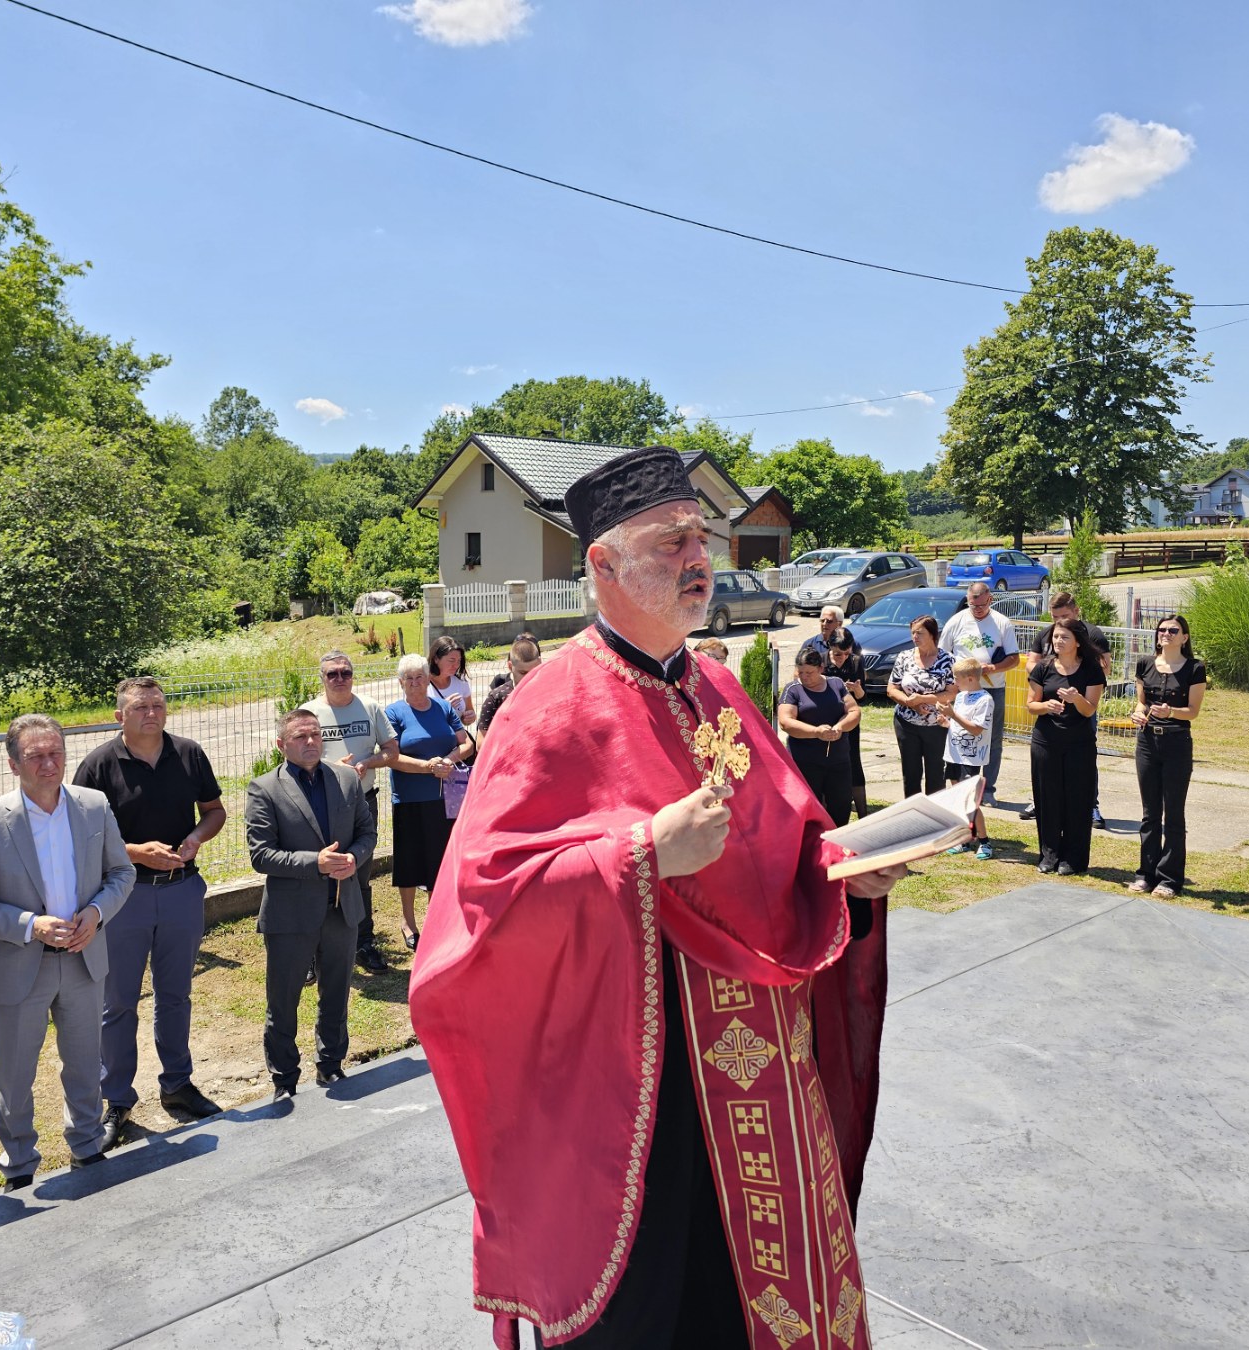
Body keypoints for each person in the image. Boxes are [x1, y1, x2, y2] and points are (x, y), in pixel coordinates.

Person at [411, 444, 906, 1350]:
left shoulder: (717, 686)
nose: (697, 558)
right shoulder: (547, 705)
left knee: (738, 1303)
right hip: (635, 1085)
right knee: (649, 1312)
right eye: (670, 540)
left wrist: (846, 873)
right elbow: (483, 903)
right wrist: (641, 855)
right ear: (601, 564)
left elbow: (780, 838)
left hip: (752, 1065)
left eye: (702, 537)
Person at [0, 716, 136, 1192]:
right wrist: (29, 925)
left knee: (84, 1062)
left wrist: (96, 914)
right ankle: (18, 1162)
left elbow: (122, 874)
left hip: (83, 959)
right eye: (35, 756)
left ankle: (87, 1144)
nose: (49, 764)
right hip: (20, 968)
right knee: (16, 1073)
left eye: (55, 752)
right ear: (13, 763)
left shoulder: (93, 806)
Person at [73, 676, 227, 1152]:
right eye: (140, 707)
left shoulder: (188, 753)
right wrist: (135, 852)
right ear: (119, 715)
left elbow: (214, 811)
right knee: (117, 1002)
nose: (152, 714)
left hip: (181, 891)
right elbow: (80, 833)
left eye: (158, 705)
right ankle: (116, 1099)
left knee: (175, 995)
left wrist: (196, 839)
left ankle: (177, 1084)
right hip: (123, 898)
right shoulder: (99, 765)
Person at [244, 709, 377, 1101]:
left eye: (316, 734)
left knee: (336, 991)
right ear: (281, 745)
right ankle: (284, 1078)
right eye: (300, 736)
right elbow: (260, 855)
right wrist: (314, 864)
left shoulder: (346, 781)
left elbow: (367, 832)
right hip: (291, 914)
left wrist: (354, 857)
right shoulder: (264, 788)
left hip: (342, 908)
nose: (310, 742)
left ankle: (331, 1063)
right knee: (283, 999)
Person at [299, 651, 397, 973]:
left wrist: (368, 763)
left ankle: (363, 943)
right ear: (322, 677)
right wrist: (330, 768)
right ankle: (312, 951)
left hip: (362, 804)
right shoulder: (310, 713)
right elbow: (295, 758)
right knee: (318, 876)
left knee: (360, 876)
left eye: (345, 672)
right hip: (320, 806)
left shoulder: (369, 707)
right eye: (332, 674)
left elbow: (391, 751)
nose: (340, 679)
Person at [384, 655, 472, 951]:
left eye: (419, 677)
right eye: (408, 678)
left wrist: (449, 760)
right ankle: (408, 922)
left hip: (444, 797)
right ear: (400, 683)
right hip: (408, 798)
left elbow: (466, 743)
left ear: (427, 678)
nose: (414, 683)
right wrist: (428, 767)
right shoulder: (394, 712)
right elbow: (391, 756)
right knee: (409, 863)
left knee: (439, 860)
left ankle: (437, 919)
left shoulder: (444, 708)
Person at [1129, 616, 1206, 898]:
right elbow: (1141, 701)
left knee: (1173, 814)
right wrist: (1137, 712)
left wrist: (1171, 712)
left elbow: (1193, 711)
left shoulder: (1195, 668)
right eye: (1162, 630)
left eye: (1173, 630)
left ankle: (1170, 879)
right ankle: (1146, 874)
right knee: (1150, 814)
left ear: (1185, 637)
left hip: (1176, 743)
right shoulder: (1145, 663)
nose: (1166, 634)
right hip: (1147, 742)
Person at [1022, 592, 1112, 827]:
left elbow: (1104, 668)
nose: (1058, 622)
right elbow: (1032, 662)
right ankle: (1040, 801)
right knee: (1046, 760)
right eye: (1055, 617)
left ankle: (1091, 805)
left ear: (1076, 611)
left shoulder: (1093, 634)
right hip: (1050, 707)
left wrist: (1075, 681)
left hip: (1081, 709)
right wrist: (1046, 672)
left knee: (1083, 761)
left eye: (1065, 615)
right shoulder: (1047, 634)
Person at [1026, 620, 1105, 876]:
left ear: (1078, 642)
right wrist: (1047, 706)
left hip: (1079, 744)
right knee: (1048, 800)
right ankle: (1049, 855)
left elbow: (1089, 709)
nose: (1058, 641)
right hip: (1045, 741)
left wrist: (1076, 699)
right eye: (1056, 637)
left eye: (1064, 637)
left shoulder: (1091, 669)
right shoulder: (1043, 667)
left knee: (1077, 800)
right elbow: (1031, 705)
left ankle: (1073, 858)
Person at [938, 584, 1020, 804]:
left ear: (990, 600)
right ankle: (966, 786)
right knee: (961, 733)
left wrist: (994, 668)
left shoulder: (1002, 622)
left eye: (982, 605)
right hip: (963, 690)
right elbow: (943, 654)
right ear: (967, 599)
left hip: (993, 688)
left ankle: (988, 789)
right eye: (973, 605)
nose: (977, 609)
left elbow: (1014, 658)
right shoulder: (956, 621)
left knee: (992, 739)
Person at [778, 642, 861, 827]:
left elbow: (854, 711)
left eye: (809, 673)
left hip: (838, 761)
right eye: (801, 673)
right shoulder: (793, 690)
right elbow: (785, 721)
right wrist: (816, 732)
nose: (805, 677)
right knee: (809, 811)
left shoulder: (836, 684)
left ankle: (839, 847)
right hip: (805, 762)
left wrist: (840, 727)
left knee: (841, 806)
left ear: (821, 668)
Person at [887, 614, 955, 800]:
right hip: (906, 723)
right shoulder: (904, 657)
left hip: (937, 725)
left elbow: (952, 692)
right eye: (913, 633)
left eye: (920, 633)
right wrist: (909, 702)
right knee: (911, 773)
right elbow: (892, 689)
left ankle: (936, 818)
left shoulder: (948, 659)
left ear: (932, 634)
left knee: (935, 774)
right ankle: (913, 817)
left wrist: (926, 698)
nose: (915, 637)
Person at [939, 658, 995, 860]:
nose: (954, 681)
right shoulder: (962, 696)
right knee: (957, 798)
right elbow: (960, 724)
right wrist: (947, 722)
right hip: (953, 754)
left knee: (971, 800)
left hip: (970, 758)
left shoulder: (985, 700)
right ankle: (965, 838)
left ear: (970, 678)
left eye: (957, 678)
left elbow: (976, 728)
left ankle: (984, 841)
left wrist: (952, 714)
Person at [822, 624, 871, 821]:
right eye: (837, 654)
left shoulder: (856, 662)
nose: (842, 657)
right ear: (829, 647)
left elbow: (862, 697)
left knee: (854, 765)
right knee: (825, 766)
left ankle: (863, 816)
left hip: (849, 722)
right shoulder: (821, 662)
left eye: (845, 653)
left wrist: (857, 690)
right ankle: (825, 815)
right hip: (825, 720)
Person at [476, 635, 543, 739]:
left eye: (533, 671)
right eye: (523, 672)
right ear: (510, 666)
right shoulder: (497, 697)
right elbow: (481, 743)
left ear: (540, 663)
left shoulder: (548, 693)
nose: (529, 677)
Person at [429, 635, 476, 727]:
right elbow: (416, 721)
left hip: (456, 737)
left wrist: (469, 718)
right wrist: (443, 708)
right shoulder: (421, 684)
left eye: (459, 661)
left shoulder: (461, 681)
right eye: (451, 660)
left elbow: (468, 714)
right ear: (436, 659)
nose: (456, 665)